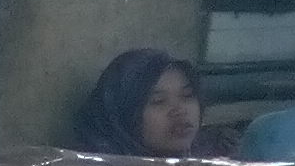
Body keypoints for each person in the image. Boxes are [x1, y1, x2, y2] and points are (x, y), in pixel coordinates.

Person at [78, 50, 228, 157]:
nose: (180, 110)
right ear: (123, 114)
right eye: (158, 101)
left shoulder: (215, 158)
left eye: (187, 96)